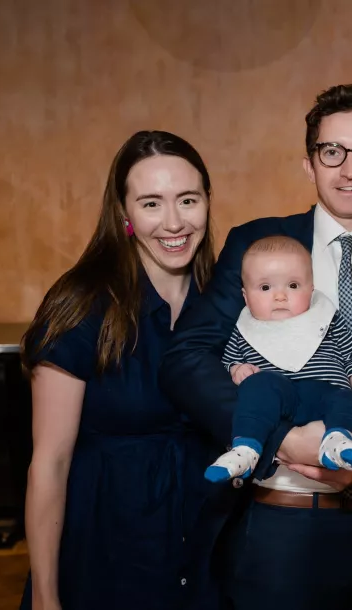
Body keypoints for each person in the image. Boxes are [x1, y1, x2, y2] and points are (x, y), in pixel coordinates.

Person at [19, 130, 235, 610]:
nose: (174, 222)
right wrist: (46, 598)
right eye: (152, 203)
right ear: (124, 214)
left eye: (187, 199)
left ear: (206, 203)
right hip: (104, 561)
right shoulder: (80, 305)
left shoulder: (228, 302)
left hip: (204, 563)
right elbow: (49, 466)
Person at [159, 84, 352, 609]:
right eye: (333, 151)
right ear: (309, 163)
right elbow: (186, 360)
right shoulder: (257, 242)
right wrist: (283, 437)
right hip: (282, 520)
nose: (348, 170)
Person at [204, 236, 352, 483]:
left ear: (311, 289)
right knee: (257, 388)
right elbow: (229, 360)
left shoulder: (327, 318)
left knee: (345, 398)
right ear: (245, 296)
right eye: (265, 288)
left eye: (293, 286)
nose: (280, 296)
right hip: (278, 400)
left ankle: (337, 439)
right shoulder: (245, 328)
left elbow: (349, 355)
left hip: (324, 394)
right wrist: (237, 369)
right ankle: (246, 448)